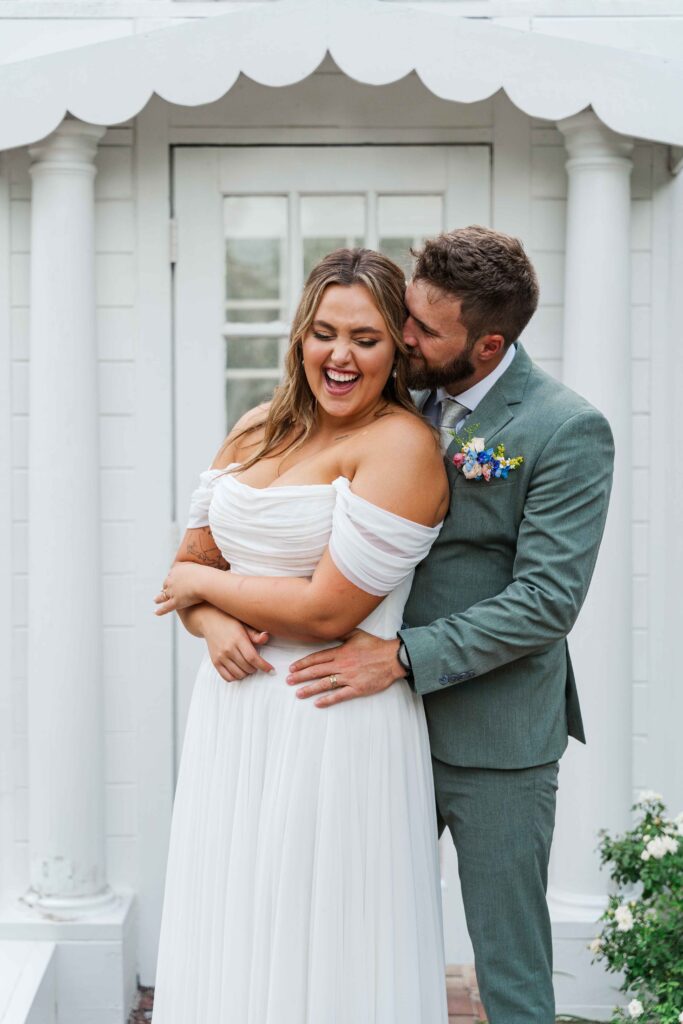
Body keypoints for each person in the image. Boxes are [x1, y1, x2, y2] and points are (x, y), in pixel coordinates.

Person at [286, 226, 615, 1023]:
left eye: (425, 329)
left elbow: (545, 601)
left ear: (487, 342)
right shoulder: (398, 395)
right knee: (359, 938)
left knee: (505, 967)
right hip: (372, 723)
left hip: (495, 739)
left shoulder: (565, 428)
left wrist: (400, 656)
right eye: (408, 318)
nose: (403, 338)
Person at [151, 248, 451, 1023]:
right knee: (235, 918)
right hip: (234, 715)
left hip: (332, 717)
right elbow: (185, 571)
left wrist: (203, 589)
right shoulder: (256, 427)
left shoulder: (399, 445)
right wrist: (211, 621)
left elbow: (326, 613)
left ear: (396, 351)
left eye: (365, 338)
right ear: (298, 337)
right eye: (323, 333)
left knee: (322, 932)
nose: (340, 356)